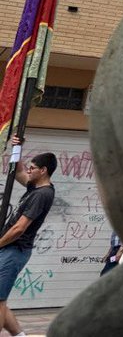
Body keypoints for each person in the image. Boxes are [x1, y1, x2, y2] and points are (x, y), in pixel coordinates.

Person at [0, 142, 57, 337]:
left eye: (32, 168)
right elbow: (17, 172)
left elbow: (19, 229)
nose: (29, 170)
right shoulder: (34, 187)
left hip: (14, 250)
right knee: (0, 298)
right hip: (8, 248)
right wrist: (17, 148)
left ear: (43, 170)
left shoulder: (42, 194)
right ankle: (19, 335)